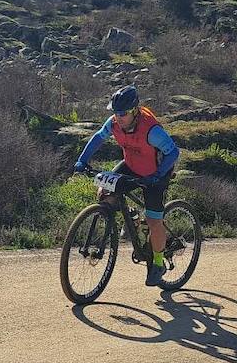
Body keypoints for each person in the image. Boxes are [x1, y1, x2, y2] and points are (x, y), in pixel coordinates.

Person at [73, 86, 180, 287]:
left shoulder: (151, 130)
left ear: (134, 111)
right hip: (131, 165)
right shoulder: (113, 123)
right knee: (105, 194)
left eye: (122, 113)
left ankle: (157, 263)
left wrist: (157, 176)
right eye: (115, 112)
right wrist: (82, 160)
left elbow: (173, 153)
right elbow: (98, 138)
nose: (118, 117)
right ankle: (131, 216)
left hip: (157, 172)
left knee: (154, 219)